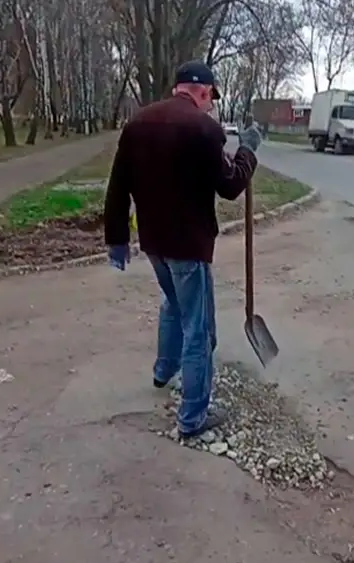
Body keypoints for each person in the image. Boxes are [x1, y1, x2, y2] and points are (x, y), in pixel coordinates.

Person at [103, 60, 264, 439]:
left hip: (154, 242)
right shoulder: (203, 129)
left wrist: (117, 239)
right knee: (199, 330)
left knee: (172, 305)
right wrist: (248, 151)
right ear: (203, 92)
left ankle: (164, 371)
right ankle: (193, 417)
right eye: (211, 98)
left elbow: (117, 185)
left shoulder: (137, 122)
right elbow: (230, 185)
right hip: (189, 246)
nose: (211, 106)